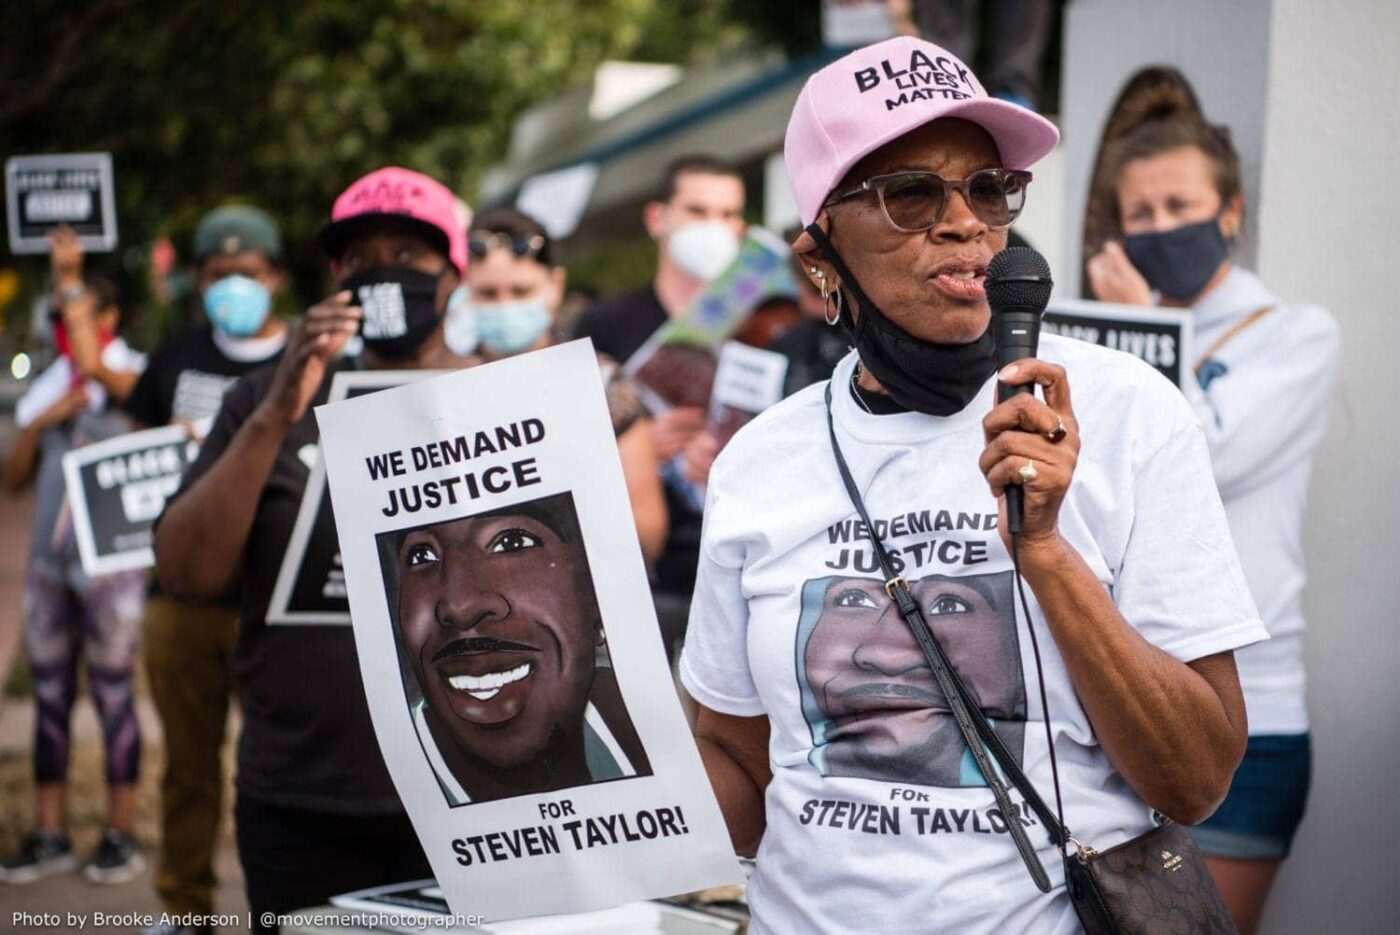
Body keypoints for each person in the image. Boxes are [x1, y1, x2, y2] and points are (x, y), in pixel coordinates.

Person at [680, 36, 1265, 934]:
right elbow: (737, 758)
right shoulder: (760, 460)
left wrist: (1045, 553)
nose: (967, 223)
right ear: (819, 259)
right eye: (912, 193)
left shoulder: (1130, 413)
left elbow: (1196, 775)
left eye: (988, 189)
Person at [154, 166, 469, 933]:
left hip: (472, 798)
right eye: (361, 261)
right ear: (334, 280)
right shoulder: (267, 398)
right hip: (304, 796)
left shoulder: (502, 398)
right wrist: (276, 412)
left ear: (453, 277)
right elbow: (188, 571)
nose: (383, 273)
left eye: (409, 255)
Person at [1083, 66, 1339, 935]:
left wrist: (1144, 328)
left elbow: (1201, 459)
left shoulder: (1295, 335)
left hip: (1249, 715)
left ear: (1229, 211)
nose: (1162, 229)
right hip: (1113, 706)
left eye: (1180, 206)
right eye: (1141, 215)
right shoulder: (1097, 336)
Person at [124, 205, 290, 935]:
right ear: (197, 281)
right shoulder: (174, 357)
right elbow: (129, 466)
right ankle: (185, 906)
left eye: (246, 273)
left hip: (275, 599)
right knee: (188, 766)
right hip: (184, 600)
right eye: (218, 274)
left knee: (281, 770)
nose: (232, 285)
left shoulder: (309, 364)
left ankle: (286, 909)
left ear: (275, 278)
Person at [0, 234, 148, 886]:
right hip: (49, 567)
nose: (66, 327)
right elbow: (12, 477)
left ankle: (120, 832)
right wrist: (43, 420)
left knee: (115, 694)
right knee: (51, 697)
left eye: (77, 311)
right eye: (59, 317)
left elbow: (122, 389)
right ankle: (50, 831)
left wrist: (70, 276)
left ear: (107, 317)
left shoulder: (133, 370)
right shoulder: (51, 385)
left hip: (114, 567)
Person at [572, 156, 747, 657]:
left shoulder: (767, 323)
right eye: (697, 210)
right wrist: (639, 448)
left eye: (726, 214)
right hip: (646, 577)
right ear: (658, 219)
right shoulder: (603, 325)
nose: (713, 228)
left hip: (744, 563)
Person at [382, 494, 651, 805]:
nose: (459, 606)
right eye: (422, 555)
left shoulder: (646, 728)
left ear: (596, 592)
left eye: (511, 543)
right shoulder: (386, 798)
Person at [465, 207, 668, 563]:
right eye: (488, 294)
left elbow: (647, 531)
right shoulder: (443, 389)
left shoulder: (601, 382)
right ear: (465, 292)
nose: (505, 305)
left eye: (521, 290)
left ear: (555, 285)